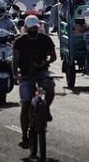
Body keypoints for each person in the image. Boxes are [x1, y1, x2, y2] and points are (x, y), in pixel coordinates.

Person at [12, 15, 56, 149]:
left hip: (41, 72)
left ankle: (46, 108)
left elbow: (53, 56)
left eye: (35, 29)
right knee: (25, 105)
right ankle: (24, 135)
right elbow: (14, 59)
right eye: (30, 29)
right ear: (26, 29)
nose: (33, 32)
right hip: (26, 75)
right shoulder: (19, 42)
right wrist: (16, 75)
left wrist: (45, 62)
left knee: (50, 87)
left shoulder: (45, 39)